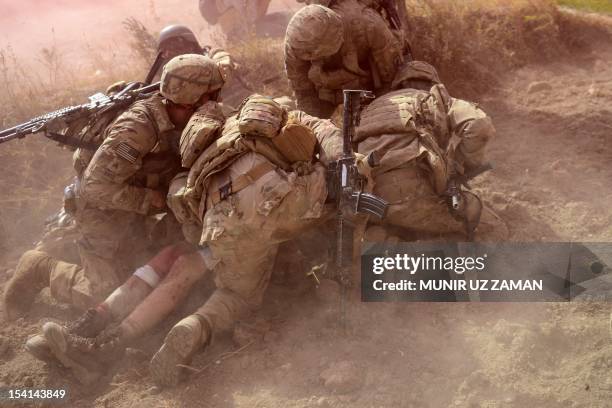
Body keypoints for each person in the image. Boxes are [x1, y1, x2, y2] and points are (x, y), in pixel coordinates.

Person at [30, 96, 342, 386]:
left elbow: (184, 182)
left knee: (177, 258)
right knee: (237, 294)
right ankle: (189, 328)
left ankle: (89, 328)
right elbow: (336, 151)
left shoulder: (228, 130)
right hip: (264, 214)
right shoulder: (299, 122)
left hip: (210, 212)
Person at [3, 54, 227, 321]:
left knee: (148, 268)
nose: (217, 102)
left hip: (132, 205)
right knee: (103, 293)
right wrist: (152, 200)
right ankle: (41, 266)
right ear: (195, 97)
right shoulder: (137, 131)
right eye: (212, 96)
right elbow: (95, 187)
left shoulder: (180, 118)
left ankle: (84, 250)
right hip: (102, 208)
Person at [354, 60, 507, 242]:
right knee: (492, 227)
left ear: (398, 84)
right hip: (411, 197)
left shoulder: (368, 109)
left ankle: (382, 236)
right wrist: (460, 165)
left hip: (366, 202)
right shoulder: (434, 98)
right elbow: (480, 126)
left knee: (412, 220)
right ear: (434, 84)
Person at [284, 3, 404, 118]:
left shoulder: (369, 25)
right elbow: (304, 93)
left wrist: (377, 115)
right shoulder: (296, 45)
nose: (311, 58)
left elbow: (391, 80)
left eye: (315, 54)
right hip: (326, 90)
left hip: (370, 85)